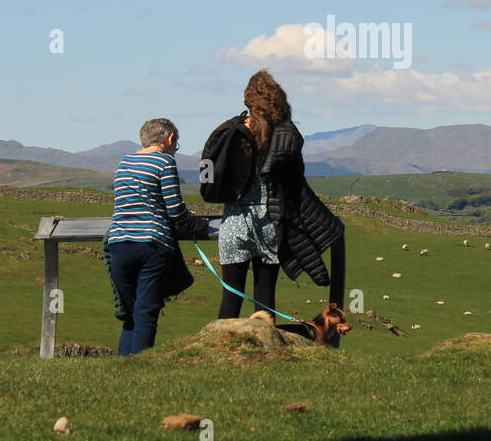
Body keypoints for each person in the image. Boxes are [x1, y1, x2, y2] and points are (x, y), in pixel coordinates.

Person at [217, 71, 346, 345]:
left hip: (234, 219)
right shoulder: (285, 133)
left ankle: (219, 349)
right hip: (270, 220)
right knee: (264, 295)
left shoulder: (235, 130)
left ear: (247, 99)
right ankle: (265, 351)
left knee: (231, 294)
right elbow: (294, 180)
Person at [105, 117, 200, 355]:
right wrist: (195, 225)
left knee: (131, 313)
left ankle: (122, 367)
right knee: (147, 311)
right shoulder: (164, 162)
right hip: (152, 244)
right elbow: (175, 210)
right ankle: (139, 367)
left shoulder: (124, 163)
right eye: (176, 145)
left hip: (118, 243)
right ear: (169, 139)